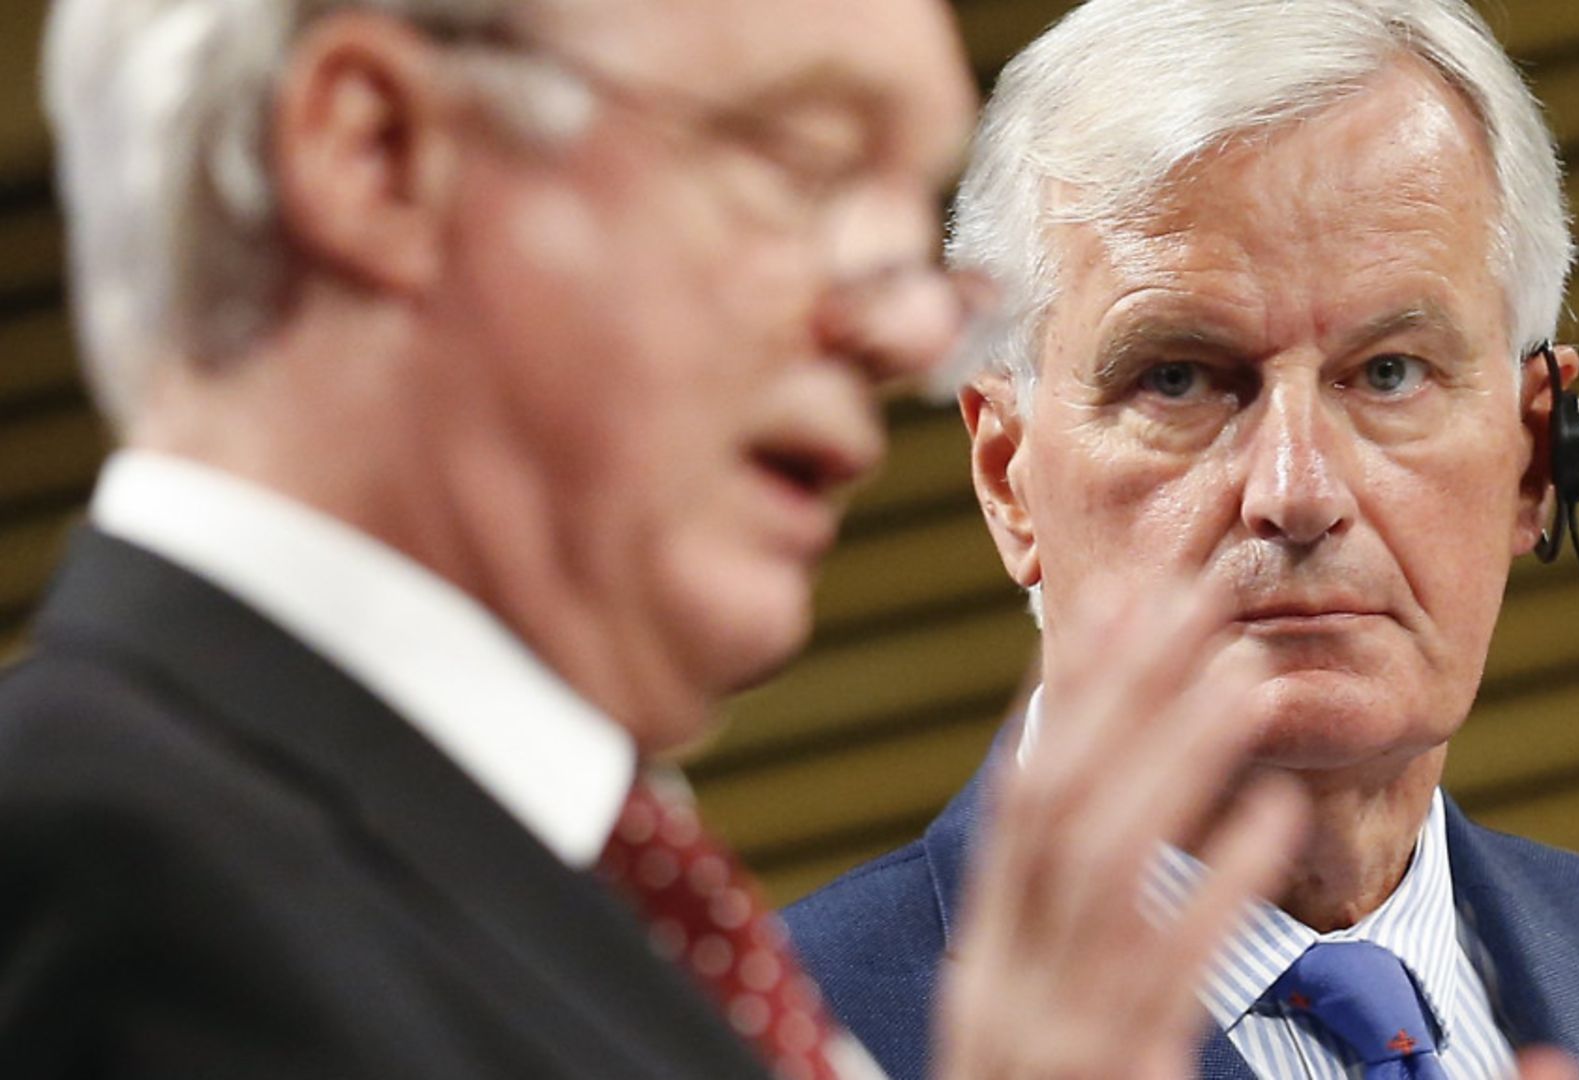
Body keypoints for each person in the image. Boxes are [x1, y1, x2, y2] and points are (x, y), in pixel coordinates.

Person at [0, 1, 1344, 1077]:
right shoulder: (82, 869)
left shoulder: (605, 905)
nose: (905, 336)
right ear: (378, 154)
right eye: (805, 164)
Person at [784, 1, 1579, 1078]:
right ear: (1007, 479)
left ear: (1535, 459)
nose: (1298, 490)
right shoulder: (752, 1042)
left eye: (1389, 373)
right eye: (1179, 377)